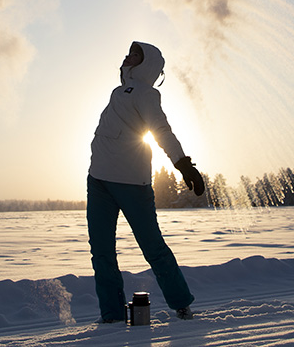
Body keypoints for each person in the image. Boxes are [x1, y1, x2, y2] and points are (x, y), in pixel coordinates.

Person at [87, 41, 206, 323]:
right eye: (129, 52)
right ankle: (111, 314)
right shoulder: (118, 91)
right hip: (98, 180)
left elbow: (161, 130)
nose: (128, 56)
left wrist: (183, 164)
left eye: (135, 54)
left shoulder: (146, 94)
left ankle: (181, 304)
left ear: (148, 64)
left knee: (152, 246)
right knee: (101, 251)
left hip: (131, 183)